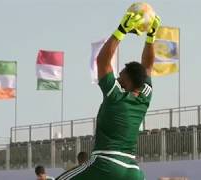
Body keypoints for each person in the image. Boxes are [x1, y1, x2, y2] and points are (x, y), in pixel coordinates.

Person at [56, 11, 161, 180]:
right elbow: (147, 67)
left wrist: (121, 30)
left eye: (121, 75)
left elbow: (102, 62)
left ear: (128, 81)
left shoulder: (115, 95)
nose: (118, 78)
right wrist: (151, 36)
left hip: (106, 163)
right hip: (133, 171)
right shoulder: (145, 96)